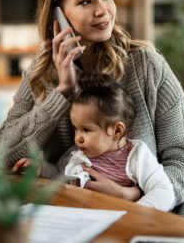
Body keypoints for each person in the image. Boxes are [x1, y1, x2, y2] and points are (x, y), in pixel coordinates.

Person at [0, 0, 184, 217]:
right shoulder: (40, 75)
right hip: (68, 217)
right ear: (57, 17)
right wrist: (63, 93)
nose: (103, 9)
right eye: (85, 1)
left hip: (148, 219)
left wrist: (134, 195)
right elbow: (5, 156)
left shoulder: (146, 65)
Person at [64, 72, 175, 212]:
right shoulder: (82, 154)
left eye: (86, 129)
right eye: (76, 129)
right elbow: (58, 175)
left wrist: (132, 213)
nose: (78, 138)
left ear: (117, 130)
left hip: (122, 223)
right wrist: (40, 168)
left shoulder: (137, 156)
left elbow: (164, 191)